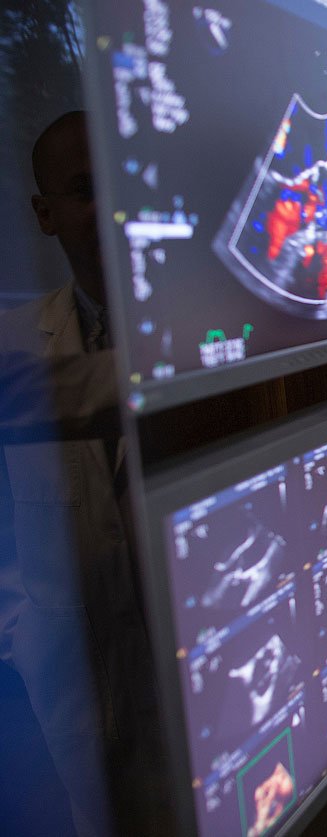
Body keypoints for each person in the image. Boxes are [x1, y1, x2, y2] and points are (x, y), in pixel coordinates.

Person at [0, 111, 170, 835]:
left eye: (120, 183)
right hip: (74, 685)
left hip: (186, 676)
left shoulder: (199, 331)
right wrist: (23, 634)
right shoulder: (14, 343)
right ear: (44, 214)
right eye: (81, 189)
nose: (108, 208)